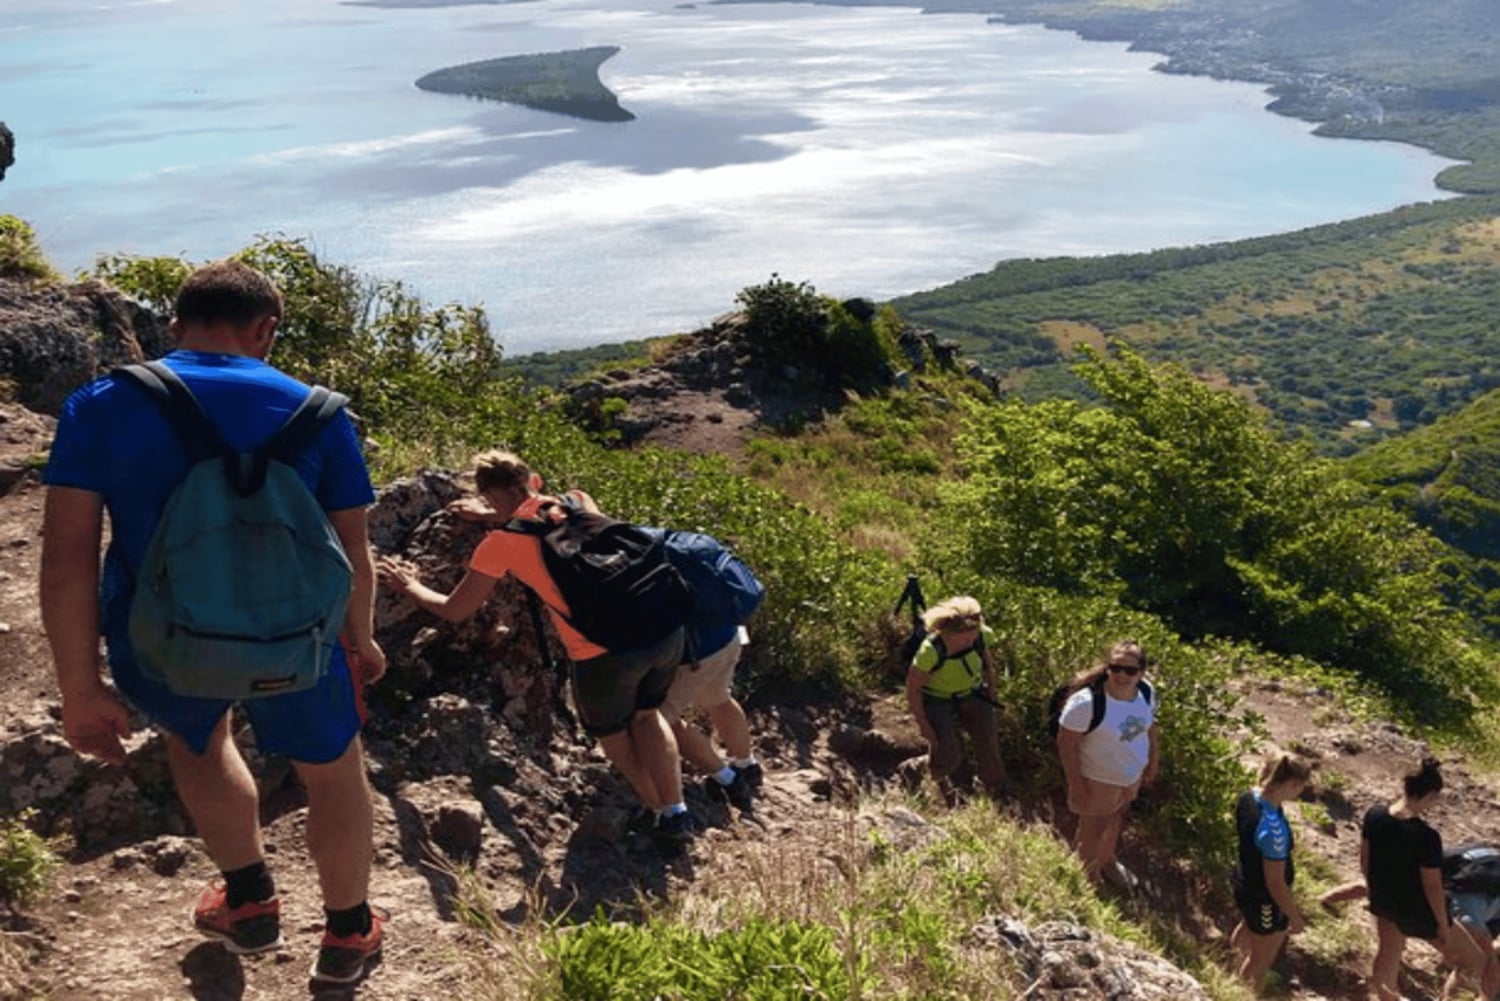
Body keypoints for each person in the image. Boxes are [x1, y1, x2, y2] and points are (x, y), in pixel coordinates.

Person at [39, 260, 388, 986]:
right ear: (265, 330)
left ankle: (249, 898)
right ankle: (349, 933)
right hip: (303, 637)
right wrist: (361, 636)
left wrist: (81, 684)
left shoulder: (101, 404)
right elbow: (353, 545)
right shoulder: (320, 412)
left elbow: (67, 554)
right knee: (333, 770)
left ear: (173, 326)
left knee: (199, 739)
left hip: (168, 637)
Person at [377, 449, 696, 850]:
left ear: (491, 496)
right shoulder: (578, 501)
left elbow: (456, 609)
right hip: (664, 628)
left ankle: (662, 817)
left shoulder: (502, 544)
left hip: (602, 654)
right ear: (535, 480)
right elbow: (548, 523)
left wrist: (409, 585)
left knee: (613, 736)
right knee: (647, 717)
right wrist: (499, 512)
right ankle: (678, 808)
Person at [1362, 756, 1492, 1001]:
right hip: (1419, 911)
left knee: (1388, 953)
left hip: (1384, 899)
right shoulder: (1426, 836)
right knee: (1474, 961)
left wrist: (1374, 892)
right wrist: (1443, 926)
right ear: (1431, 795)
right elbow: (1432, 887)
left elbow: (1365, 860)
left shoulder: (1374, 815)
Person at [1055, 639, 1159, 890]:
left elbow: (1151, 728)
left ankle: (1107, 860)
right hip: (1098, 777)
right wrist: (1076, 785)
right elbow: (1066, 745)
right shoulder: (1087, 703)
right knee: (1093, 828)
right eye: (1115, 668)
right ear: (1107, 667)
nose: (1122, 675)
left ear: (1142, 672)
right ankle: (1086, 877)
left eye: (1130, 670)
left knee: (1116, 817)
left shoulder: (1145, 690)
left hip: (1129, 774)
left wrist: (1152, 762)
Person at [904, 596, 1005, 805]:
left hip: (973, 694)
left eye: (973, 636)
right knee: (949, 754)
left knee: (988, 742)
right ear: (950, 633)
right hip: (938, 700)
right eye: (965, 638)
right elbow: (913, 689)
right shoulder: (930, 651)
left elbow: (988, 666)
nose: (971, 641)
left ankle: (997, 790)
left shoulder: (980, 635)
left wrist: (991, 696)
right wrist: (924, 725)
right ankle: (916, 770)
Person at [1230, 752, 1312, 992]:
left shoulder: (1250, 797)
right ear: (1292, 784)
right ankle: (1242, 991)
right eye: (1301, 787)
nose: (1301, 792)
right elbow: (1275, 883)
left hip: (1244, 879)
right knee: (1262, 959)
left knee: (1249, 925)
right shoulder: (1272, 829)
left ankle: (1229, 961)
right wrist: (1294, 916)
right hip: (1264, 898)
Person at [660, 623, 762, 812]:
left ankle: (728, 780)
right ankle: (747, 766)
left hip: (696, 652)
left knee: (660, 721)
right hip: (728, 635)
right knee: (718, 698)